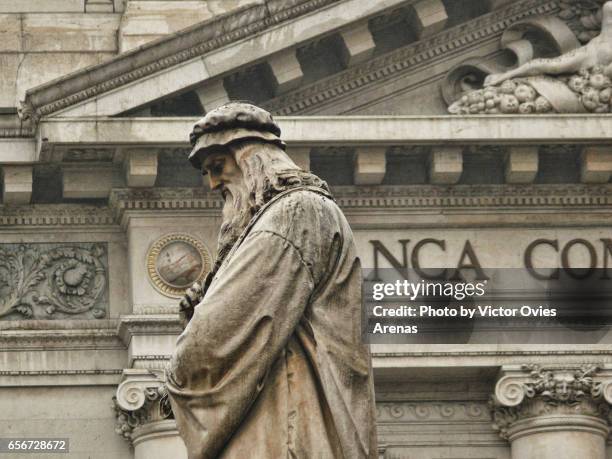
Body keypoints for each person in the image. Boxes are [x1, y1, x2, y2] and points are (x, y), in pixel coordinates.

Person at [165, 102, 378, 459]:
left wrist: (178, 373)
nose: (214, 182)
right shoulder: (280, 218)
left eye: (218, 166)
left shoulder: (295, 212)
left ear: (252, 158)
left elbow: (221, 331)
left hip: (290, 427)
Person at [484, 1, 612, 87]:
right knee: (551, 65)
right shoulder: (610, 7)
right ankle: (504, 76)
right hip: (594, 53)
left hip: (600, 59)